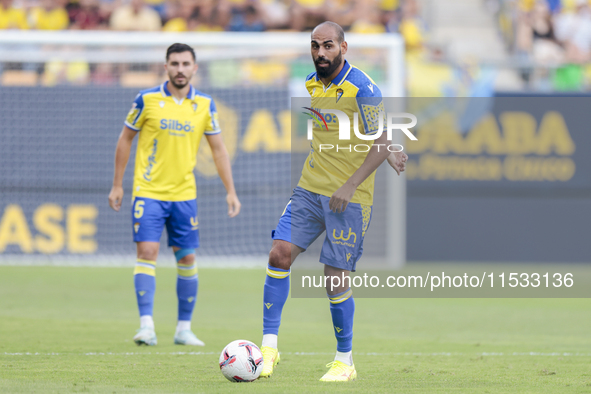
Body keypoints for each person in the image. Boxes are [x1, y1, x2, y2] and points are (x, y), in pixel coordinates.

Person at [259, 21, 407, 381]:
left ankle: (345, 361)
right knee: (279, 253)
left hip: (350, 198)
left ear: (344, 47)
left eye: (327, 46)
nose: (320, 53)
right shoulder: (311, 83)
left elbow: (381, 137)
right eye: (315, 46)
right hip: (310, 189)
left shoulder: (364, 88)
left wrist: (352, 183)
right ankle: (268, 348)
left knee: (334, 278)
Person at [108, 43, 241, 347]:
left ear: (195, 68)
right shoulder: (147, 100)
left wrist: (230, 191)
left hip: (184, 194)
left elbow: (218, 150)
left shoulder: (205, 105)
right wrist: (118, 184)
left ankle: (183, 329)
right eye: (174, 63)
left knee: (187, 257)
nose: (180, 69)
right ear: (165, 67)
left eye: (185, 64)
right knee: (147, 253)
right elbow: (125, 140)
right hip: (149, 191)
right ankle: (146, 326)